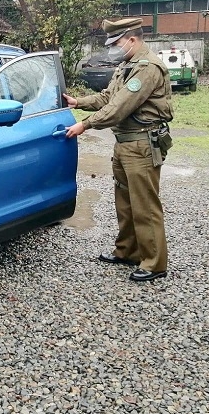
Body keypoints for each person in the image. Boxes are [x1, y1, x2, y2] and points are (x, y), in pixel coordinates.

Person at [64, 18, 174, 282]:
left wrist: (85, 125)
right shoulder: (126, 66)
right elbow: (107, 98)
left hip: (142, 145)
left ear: (132, 40)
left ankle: (154, 262)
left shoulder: (148, 69)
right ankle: (127, 251)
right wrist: (78, 101)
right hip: (125, 143)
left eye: (116, 42)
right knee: (125, 203)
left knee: (145, 204)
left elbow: (118, 108)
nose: (113, 48)